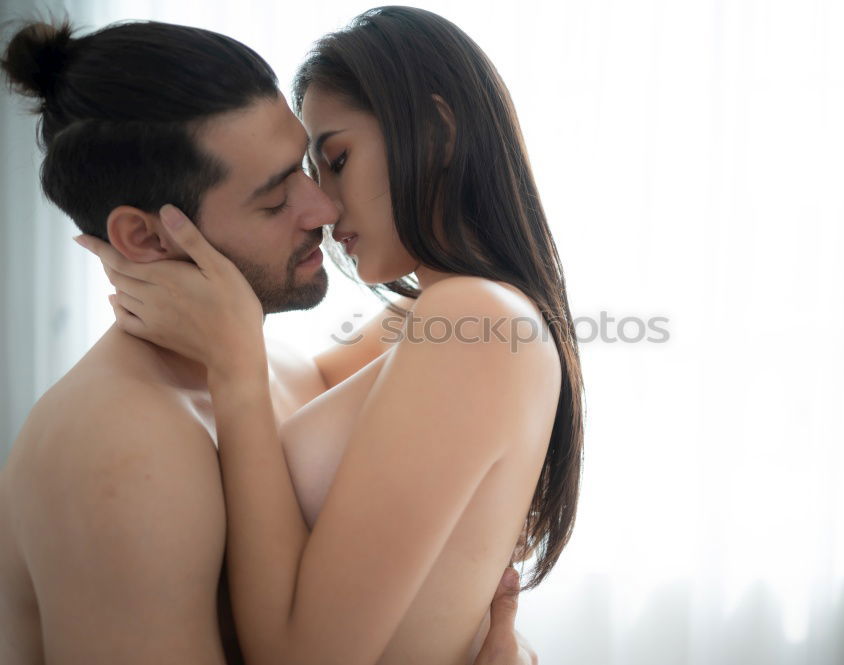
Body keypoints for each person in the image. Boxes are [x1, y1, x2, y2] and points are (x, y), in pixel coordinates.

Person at [0, 18, 535, 665]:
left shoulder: (275, 368)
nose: (323, 209)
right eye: (276, 197)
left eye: (315, 167)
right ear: (143, 239)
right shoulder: (117, 446)